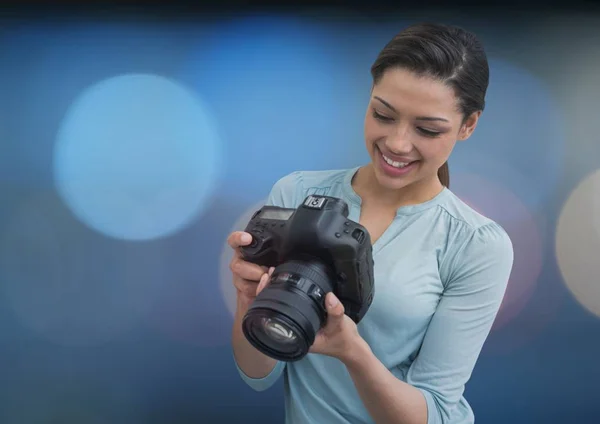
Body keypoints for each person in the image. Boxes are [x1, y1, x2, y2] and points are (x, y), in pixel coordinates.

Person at [227, 22, 514, 424]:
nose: (397, 143)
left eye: (427, 129)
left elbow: (437, 414)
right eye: (383, 114)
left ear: (468, 125)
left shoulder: (475, 244)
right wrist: (247, 301)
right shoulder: (297, 193)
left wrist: (353, 353)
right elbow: (259, 372)